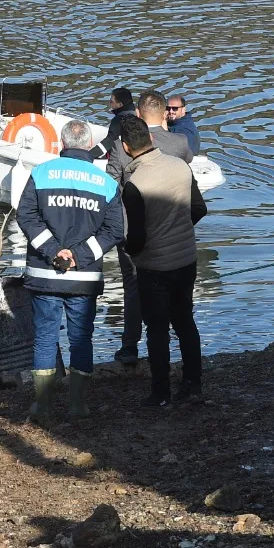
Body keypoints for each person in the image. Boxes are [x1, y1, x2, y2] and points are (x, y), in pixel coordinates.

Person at [15, 119, 124, 427]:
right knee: (81, 339)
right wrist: (80, 256)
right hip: (85, 276)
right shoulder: (105, 182)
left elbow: (25, 215)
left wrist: (53, 251)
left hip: (45, 272)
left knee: (45, 338)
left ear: (61, 145)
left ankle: (43, 407)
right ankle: (78, 406)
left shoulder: (42, 172)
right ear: (90, 145)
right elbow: (115, 229)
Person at [119, 115, 208, 407]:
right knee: (185, 321)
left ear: (125, 147)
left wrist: (130, 251)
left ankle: (161, 392)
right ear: (152, 138)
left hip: (154, 265)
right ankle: (193, 383)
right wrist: (179, 230)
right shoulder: (180, 166)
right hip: (186, 258)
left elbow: (138, 237)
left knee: (157, 331)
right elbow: (199, 208)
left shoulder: (134, 185)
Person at [107, 89, 192, 364]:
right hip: (174, 229)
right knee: (177, 298)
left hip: (134, 229)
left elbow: (111, 186)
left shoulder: (122, 147)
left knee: (132, 287)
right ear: (164, 113)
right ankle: (183, 353)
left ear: (139, 115)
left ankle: (130, 346)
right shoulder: (180, 143)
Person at [100, 87, 137, 158]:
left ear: (120, 105)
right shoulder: (137, 116)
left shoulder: (118, 121)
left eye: (111, 101)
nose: (109, 103)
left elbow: (109, 142)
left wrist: (89, 154)